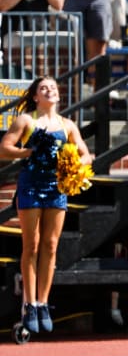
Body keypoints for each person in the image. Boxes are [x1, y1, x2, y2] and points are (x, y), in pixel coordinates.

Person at [0, 76, 92, 334]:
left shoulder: (68, 125)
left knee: (51, 245)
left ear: (58, 95)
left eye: (52, 87)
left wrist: (73, 163)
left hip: (56, 187)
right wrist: (28, 152)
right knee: (31, 243)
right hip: (31, 184)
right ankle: (28, 303)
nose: (49, 90)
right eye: (43, 88)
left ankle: (43, 301)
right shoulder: (26, 120)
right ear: (35, 96)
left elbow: (86, 154)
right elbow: (4, 148)